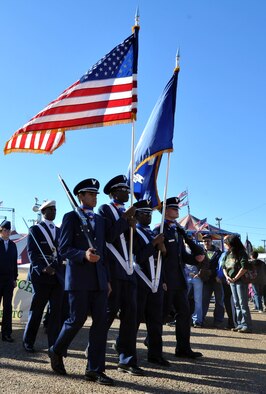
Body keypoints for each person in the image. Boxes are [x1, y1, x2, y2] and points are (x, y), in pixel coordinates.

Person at [48, 179, 113, 386]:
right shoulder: (71, 218)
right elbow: (64, 248)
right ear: (80, 196)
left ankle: (94, 369)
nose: (94, 197)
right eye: (90, 194)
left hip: (99, 280)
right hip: (79, 279)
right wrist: (83, 254)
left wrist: (107, 279)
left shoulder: (100, 220)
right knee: (76, 320)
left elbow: (104, 252)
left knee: (101, 324)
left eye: (95, 194)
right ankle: (56, 349)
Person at [98, 174, 144, 376]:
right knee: (107, 316)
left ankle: (127, 360)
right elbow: (108, 236)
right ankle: (94, 351)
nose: (128, 193)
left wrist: (131, 224)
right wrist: (125, 220)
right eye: (124, 190)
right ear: (113, 192)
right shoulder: (105, 209)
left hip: (128, 270)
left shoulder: (127, 212)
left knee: (130, 319)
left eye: (127, 189)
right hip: (114, 270)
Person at [153, 197, 205, 359]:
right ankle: (152, 343)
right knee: (161, 315)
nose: (177, 211)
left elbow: (181, 256)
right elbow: (156, 258)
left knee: (184, 313)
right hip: (166, 280)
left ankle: (183, 348)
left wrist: (195, 258)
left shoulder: (177, 231)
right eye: (174, 209)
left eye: (177, 209)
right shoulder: (159, 229)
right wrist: (161, 280)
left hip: (179, 280)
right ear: (166, 210)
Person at [23, 200, 65, 352]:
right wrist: (42, 268)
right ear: (43, 212)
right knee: (37, 310)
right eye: (51, 210)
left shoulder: (60, 231)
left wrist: (56, 268)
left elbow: (62, 252)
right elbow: (32, 252)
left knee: (56, 312)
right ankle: (28, 341)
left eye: (55, 209)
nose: (54, 212)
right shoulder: (35, 229)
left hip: (57, 275)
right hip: (41, 276)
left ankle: (53, 344)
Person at [134, 199, 170, 367]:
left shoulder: (152, 232)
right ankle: (123, 348)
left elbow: (161, 259)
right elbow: (137, 257)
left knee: (156, 321)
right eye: (144, 214)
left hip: (155, 281)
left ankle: (155, 354)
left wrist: (162, 248)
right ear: (137, 215)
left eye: (150, 214)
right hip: (140, 280)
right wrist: (154, 244)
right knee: (133, 320)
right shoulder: (133, 232)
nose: (148, 216)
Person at [222, 235, 252, 333]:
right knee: (236, 304)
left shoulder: (241, 253)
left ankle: (246, 325)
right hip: (231, 281)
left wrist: (235, 278)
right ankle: (239, 324)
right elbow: (223, 267)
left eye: (226, 242)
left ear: (231, 243)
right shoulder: (227, 254)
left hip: (240, 281)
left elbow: (244, 267)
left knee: (243, 303)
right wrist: (227, 277)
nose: (225, 244)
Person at [0, 220, 18, 342]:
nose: (7, 232)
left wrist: (15, 278)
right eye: (4, 230)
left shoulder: (13, 245)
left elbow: (14, 263)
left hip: (8, 281)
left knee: (7, 307)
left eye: (8, 230)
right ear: (1, 231)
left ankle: (6, 333)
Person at [201, 234, 224, 328]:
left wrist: (215, 274)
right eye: (204, 241)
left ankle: (218, 321)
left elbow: (221, 266)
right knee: (204, 301)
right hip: (206, 281)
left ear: (211, 241)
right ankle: (201, 319)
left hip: (216, 280)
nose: (206, 242)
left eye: (208, 241)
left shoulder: (219, 252)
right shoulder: (201, 251)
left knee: (219, 301)